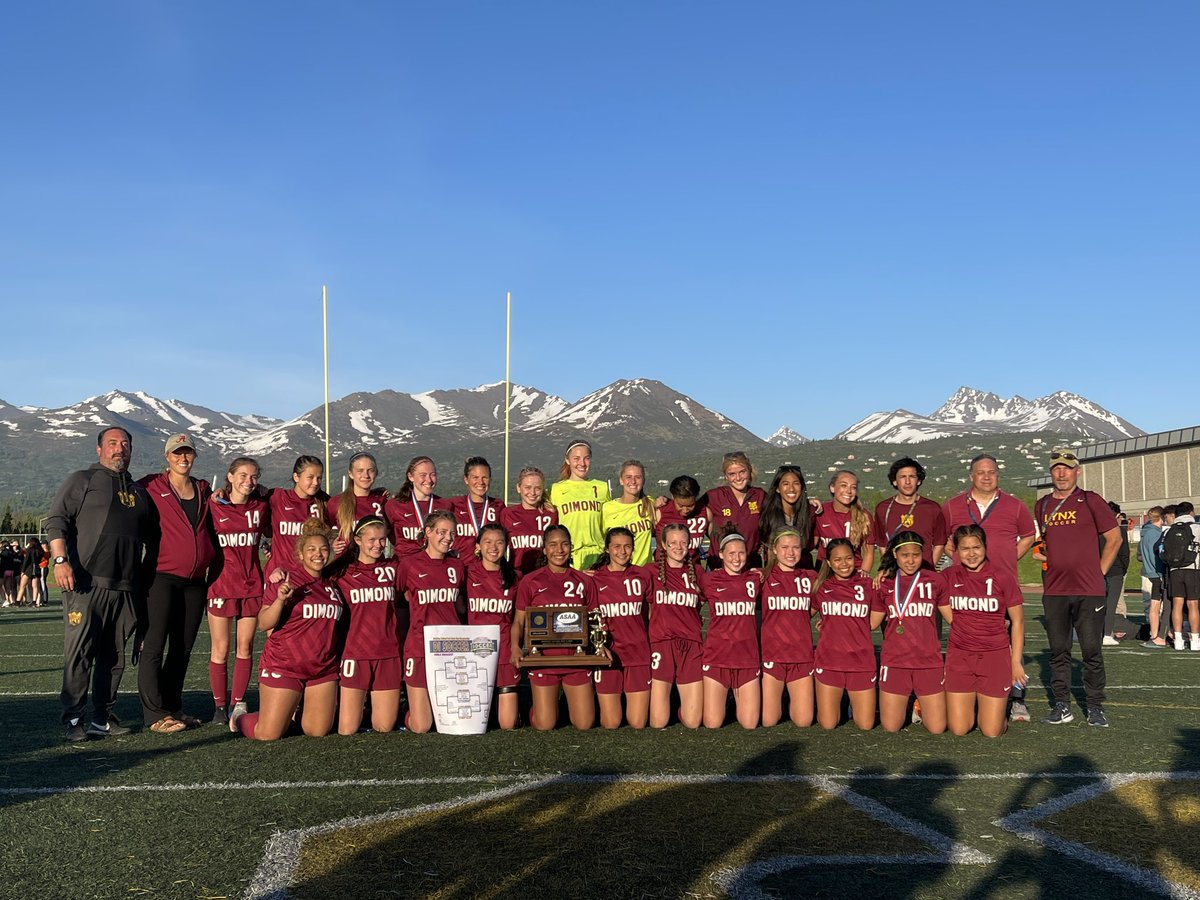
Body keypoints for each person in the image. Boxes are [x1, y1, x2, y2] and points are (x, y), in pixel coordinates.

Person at [47, 426, 154, 741]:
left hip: (126, 589)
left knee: (115, 657)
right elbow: (56, 520)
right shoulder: (83, 480)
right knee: (79, 653)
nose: (119, 448)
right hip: (85, 584)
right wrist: (61, 560)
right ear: (99, 449)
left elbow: (155, 541)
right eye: (112, 443)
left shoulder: (139, 492)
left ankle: (102, 718)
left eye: (125, 443)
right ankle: (73, 719)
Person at [941, 453, 1036, 722]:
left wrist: (1008, 558)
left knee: (1010, 640)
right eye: (980, 472)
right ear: (971, 475)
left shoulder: (1015, 506)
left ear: (998, 475)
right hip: (966, 588)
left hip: (1001, 587)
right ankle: (972, 695)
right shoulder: (951, 506)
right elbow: (941, 539)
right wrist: (956, 557)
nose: (986, 476)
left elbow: (1029, 536)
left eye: (991, 472)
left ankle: (1016, 698)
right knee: (969, 640)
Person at [230, 519, 344, 740]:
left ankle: (294, 710)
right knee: (268, 734)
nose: (318, 554)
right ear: (300, 554)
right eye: (311, 549)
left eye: (323, 549)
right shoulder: (287, 580)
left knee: (317, 731)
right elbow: (263, 623)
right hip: (285, 665)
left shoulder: (332, 586)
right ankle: (240, 718)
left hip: (322, 669)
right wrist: (280, 600)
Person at [136, 434, 218, 734]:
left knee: (182, 648)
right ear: (167, 456)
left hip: (195, 582)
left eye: (188, 453)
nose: (183, 458)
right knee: (154, 646)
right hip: (160, 578)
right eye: (177, 453)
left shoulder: (202, 488)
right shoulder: (150, 485)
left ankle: (173, 707)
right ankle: (154, 714)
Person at [1035, 449, 1121, 727]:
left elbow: (1115, 539)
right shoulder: (1043, 504)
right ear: (1051, 472)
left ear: (1077, 471)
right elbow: (1047, 543)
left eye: (1067, 468)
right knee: (1058, 651)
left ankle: (1095, 706)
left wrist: (1098, 572)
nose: (1061, 473)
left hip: (1089, 591)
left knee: (1091, 651)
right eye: (1057, 468)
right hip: (1055, 590)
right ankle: (1062, 705)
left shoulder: (1091, 500)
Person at [511, 524, 603, 730]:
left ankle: (562, 704)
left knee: (584, 724)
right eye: (552, 545)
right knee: (545, 724)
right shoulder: (530, 581)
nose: (559, 550)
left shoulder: (584, 581)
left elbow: (595, 619)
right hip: (544, 659)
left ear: (571, 547)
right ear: (544, 548)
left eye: (564, 544)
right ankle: (540, 708)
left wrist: (599, 646)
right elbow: (519, 620)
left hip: (576, 659)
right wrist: (515, 647)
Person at [942, 524, 1027, 738]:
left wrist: (1015, 662)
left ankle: (998, 717)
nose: (971, 554)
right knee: (959, 729)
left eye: (976, 547)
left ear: (985, 547)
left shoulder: (1003, 576)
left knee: (991, 731)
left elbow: (1017, 622)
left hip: (994, 657)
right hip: (960, 657)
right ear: (956, 551)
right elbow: (918, 584)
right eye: (964, 549)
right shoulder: (948, 576)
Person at [206, 456, 270, 725]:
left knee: (245, 647)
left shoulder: (261, 506)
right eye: (242, 475)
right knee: (220, 648)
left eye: (254, 476)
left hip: (252, 585)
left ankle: (238, 703)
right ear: (229, 477)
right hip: (220, 585)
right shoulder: (213, 505)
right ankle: (219, 707)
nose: (248, 481)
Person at [870, 531, 950, 734]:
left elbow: (953, 618)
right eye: (905, 555)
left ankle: (917, 704)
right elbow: (871, 623)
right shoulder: (884, 583)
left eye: (916, 554)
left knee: (937, 728)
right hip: (895, 662)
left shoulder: (935, 580)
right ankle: (910, 701)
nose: (911, 560)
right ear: (895, 555)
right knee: (891, 727)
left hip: (928, 661)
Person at [329, 515, 403, 734]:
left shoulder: (394, 568)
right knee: (347, 730)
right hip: (355, 653)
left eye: (382, 540)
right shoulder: (342, 572)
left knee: (384, 727)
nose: (378, 545)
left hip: (388, 653)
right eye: (371, 539)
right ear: (358, 540)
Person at [396, 509, 466, 733]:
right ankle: (404, 712)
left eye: (452, 533)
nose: (448, 537)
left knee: (453, 719)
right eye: (442, 532)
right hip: (419, 646)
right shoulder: (409, 565)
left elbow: (462, 606)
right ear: (428, 532)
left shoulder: (457, 566)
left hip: (451, 647)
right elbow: (397, 600)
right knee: (422, 726)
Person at [587, 527, 653, 729]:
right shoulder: (594, 579)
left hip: (638, 653)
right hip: (608, 654)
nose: (622, 552)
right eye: (616, 547)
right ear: (607, 549)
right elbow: (589, 619)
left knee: (638, 723)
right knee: (611, 723)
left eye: (627, 547)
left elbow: (651, 612)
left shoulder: (642, 575)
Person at [812, 538, 877, 731]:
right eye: (838, 560)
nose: (844, 564)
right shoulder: (821, 586)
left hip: (861, 661)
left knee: (866, 725)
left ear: (856, 559)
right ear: (829, 562)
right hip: (829, 661)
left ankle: (850, 703)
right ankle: (839, 701)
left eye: (848, 558)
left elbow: (873, 622)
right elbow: (801, 614)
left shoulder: (868, 584)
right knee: (828, 724)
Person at [699, 529, 762, 729]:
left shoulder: (755, 579)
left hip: (747, 657)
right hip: (717, 656)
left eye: (741, 553)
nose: (737, 558)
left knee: (750, 724)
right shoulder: (708, 580)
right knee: (712, 723)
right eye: (731, 553)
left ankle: (735, 695)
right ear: (721, 554)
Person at [648, 523, 704, 729]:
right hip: (662, 644)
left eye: (683, 542)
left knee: (693, 722)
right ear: (663, 544)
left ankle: (680, 703)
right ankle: (668, 699)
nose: (678, 547)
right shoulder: (650, 572)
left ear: (690, 544)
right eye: (672, 543)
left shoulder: (697, 572)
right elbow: (620, 577)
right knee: (658, 722)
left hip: (691, 645)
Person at [466, 523, 522, 730]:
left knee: (507, 724)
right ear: (478, 546)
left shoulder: (515, 576)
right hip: (474, 650)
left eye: (499, 542)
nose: (493, 547)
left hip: (504, 646)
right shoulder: (467, 572)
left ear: (506, 546)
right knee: (475, 722)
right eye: (487, 542)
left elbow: (519, 617)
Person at [759, 528, 816, 728]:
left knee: (804, 721)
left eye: (795, 547)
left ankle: (789, 696)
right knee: (769, 720)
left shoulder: (810, 577)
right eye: (784, 547)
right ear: (774, 550)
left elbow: (822, 602)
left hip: (801, 656)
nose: (790, 553)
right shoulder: (761, 578)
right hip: (772, 656)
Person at [873, 458, 947, 569]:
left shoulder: (932, 508)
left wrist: (929, 568)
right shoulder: (883, 509)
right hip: (895, 573)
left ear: (919, 480)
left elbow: (939, 543)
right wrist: (888, 568)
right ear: (894, 481)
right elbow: (882, 544)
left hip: (923, 573)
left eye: (912, 477)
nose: (907, 482)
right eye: (902, 477)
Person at [549, 440, 610, 569]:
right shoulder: (556, 490)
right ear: (567, 460)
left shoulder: (602, 487)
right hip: (569, 557)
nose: (582, 463)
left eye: (586, 458)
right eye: (576, 458)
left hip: (597, 556)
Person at [265, 456, 329, 579]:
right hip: (278, 575)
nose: (316, 482)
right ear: (296, 477)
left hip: (310, 577)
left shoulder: (325, 503)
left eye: (319, 478)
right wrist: (222, 492)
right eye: (310, 477)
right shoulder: (277, 498)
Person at [705, 452, 767, 568]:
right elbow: (687, 507)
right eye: (732, 474)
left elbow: (783, 508)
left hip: (750, 566)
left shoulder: (760, 496)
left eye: (742, 472)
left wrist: (810, 503)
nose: (738, 478)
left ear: (749, 471)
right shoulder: (714, 496)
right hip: (718, 567)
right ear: (725, 476)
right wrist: (664, 502)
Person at [383, 456, 451, 558]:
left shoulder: (445, 505)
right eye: (423, 475)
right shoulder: (394, 505)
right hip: (405, 566)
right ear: (411, 476)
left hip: (435, 565)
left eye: (432, 475)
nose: (429, 480)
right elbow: (388, 533)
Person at [812, 470, 875, 574]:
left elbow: (869, 553)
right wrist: (806, 505)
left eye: (853, 487)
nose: (849, 491)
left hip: (853, 574)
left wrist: (863, 574)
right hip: (825, 574)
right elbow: (810, 545)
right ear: (832, 488)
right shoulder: (820, 512)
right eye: (844, 485)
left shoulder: (864, 515)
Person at [498, 466, 557, 575]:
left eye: (538, 488)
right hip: (517, 576)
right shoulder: (507, 514)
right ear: (518, 488)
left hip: (543, 576)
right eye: (527, 487)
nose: (533, 492)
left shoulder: (551, 514)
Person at [327, 453, 388, 557]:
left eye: (370, 470)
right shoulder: (337, 502)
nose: (366, 475)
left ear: (376, 473)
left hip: (373, 564)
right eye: (360, 471)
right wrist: (331, 542)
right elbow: (323, 530)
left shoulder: (382, 501)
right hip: (346, 565)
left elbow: (391, 532)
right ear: (350, 474)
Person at [757, 466, 814, 571]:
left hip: (803, 573)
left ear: (802, 487)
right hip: (775, 574)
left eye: (796, 484)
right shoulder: (767, 514)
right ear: (778, 488)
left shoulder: (810, 513)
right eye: (786, 484)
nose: (791, 489)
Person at [601, 461, 656, 566]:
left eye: (638, 477)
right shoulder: (607, 508)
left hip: (644, 572)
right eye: (628, 477)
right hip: (619, 572)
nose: (633, 481)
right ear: (621, 480)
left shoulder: (650, 504)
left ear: (643, 481)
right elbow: (600, 543)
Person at [449, 456, 505, 560]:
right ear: (466, 479)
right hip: (460, 567)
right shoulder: (453, 504)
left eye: (485, 477)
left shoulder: (498, 505)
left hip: (487, 569)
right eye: (475, 477)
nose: (481, 482)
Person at [1162, 501, 1200, 652]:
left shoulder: (1168, 531)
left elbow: (1161, 551)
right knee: (1193, 605)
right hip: (1193, 569)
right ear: (1191, 512)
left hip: (1174, 570)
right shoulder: (1197, 528)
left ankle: (1178, 640)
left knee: (1177, 605)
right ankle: (1195, 640)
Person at [654, 475, 710, 563]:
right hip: (663, 570)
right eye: (680, 505)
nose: (685, 510)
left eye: (690, 505)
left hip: (692, 570)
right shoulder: (660, 512)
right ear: (672, 496)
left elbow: (715, 541)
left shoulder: (705, 513)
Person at [1102, 502, 1130, 645]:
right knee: (1111, 604)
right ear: (1117, 515)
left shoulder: (1096, 530)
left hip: (1097, 570)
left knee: (1097, 603)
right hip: (1115, 571)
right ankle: (1107, 634)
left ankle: (1094, 632)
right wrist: (1122, 569)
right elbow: (1125, 554)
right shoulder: (1120, 531)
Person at [1140, 506, 1168, 647]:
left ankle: (1155, 634)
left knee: (1154, 605)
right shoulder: (1155, 534)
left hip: (1150, 572)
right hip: (1156, 573)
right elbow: (1156, 555)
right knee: (1156, 606)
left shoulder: (1146, 532)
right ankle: (1156, 635)